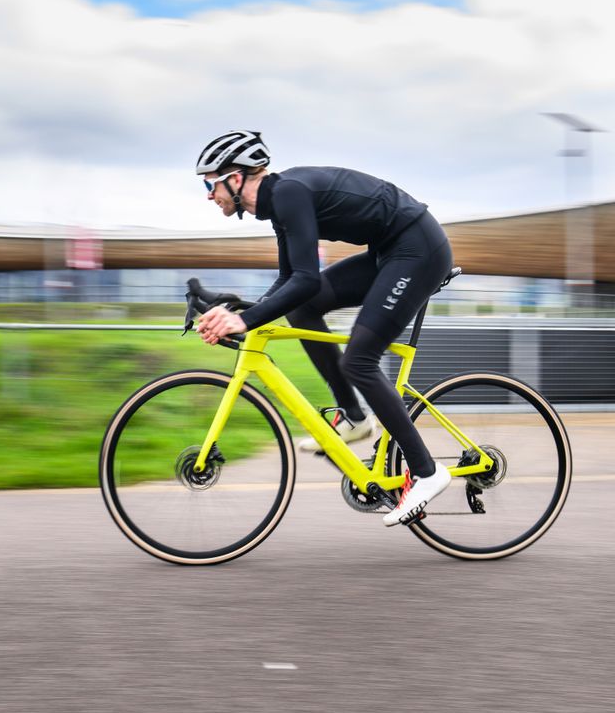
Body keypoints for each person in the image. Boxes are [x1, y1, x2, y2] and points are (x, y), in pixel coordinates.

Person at [194, 130, 454, 526]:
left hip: (417, 248)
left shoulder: (287, 194)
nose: (208, 195)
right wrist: (239, 309)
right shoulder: (276, 204)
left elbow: (306, 278)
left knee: (359, 361)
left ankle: (427, 471)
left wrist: (245, 319)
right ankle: (353, 415)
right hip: (389, 251)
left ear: (235, 178)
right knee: (303, 308)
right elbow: (292, 282)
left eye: (210, 184)